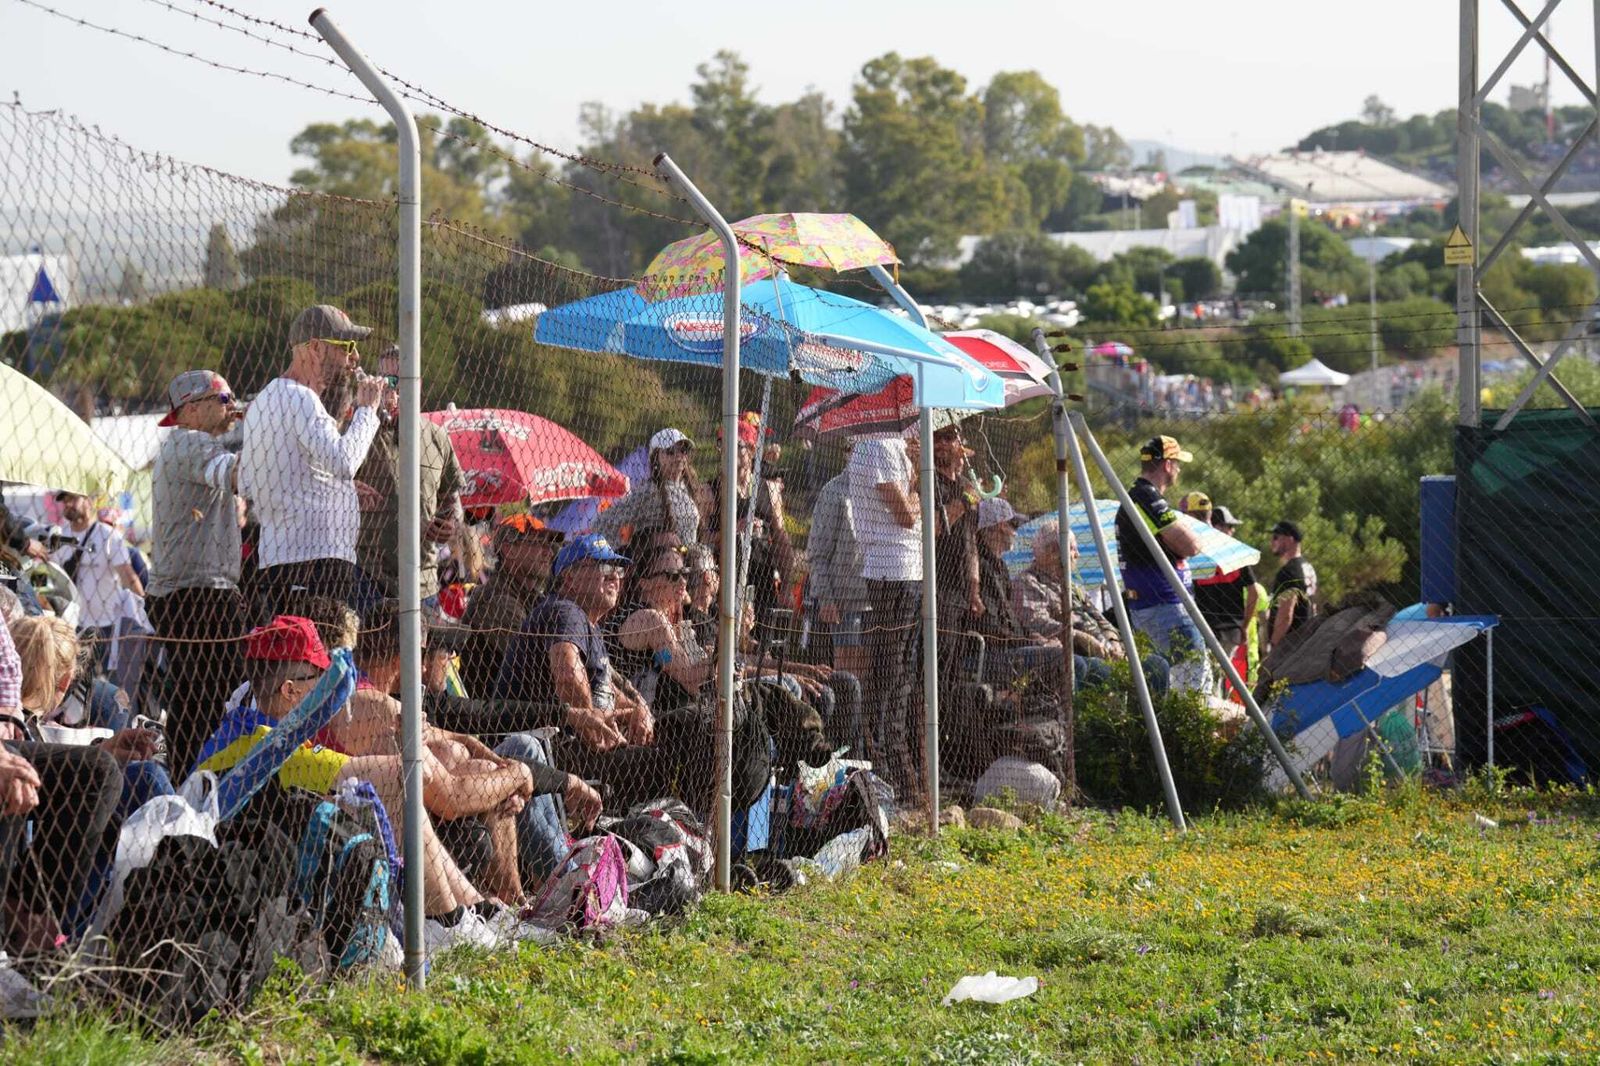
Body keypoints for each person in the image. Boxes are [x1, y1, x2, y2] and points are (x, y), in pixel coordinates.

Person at [193, 615, 512, 948]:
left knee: (393, 780)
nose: (328, 688)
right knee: (396, 781)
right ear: (290, 690)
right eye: (319, 677)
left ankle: (464, 912)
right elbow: (394, 775)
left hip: (266, 851)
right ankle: (445, 924)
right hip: (246, 869)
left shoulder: (255, 729)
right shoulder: (266, 741)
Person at [238, 304, 383, 612]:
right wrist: (367, 410)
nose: (355, 357)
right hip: (315, 562)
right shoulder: (301, 398)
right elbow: (344, 462)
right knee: (327, 651)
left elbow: (252, 482)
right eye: (347, 346)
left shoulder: (266, 398)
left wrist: (332, 487)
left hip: (285, 557)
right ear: (315, 348)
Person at [146, 369, 248, 777]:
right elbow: (239, 475)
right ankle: (200, 785)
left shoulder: (191, 443)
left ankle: (189, 783)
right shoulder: (190, 443)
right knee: (218, 700)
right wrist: (266, 430)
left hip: (193, 593)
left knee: (197, 703)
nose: (232, 406)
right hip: (195, 595)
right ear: (191, 409)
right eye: (223, 400)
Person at [353, 344, 466, 620]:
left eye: (399, 381)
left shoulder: (436, 437)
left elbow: (452, 500)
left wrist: (450, 524)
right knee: (371, 660)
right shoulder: (360, 429)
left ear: (417, 383)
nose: (390, 389)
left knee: (424, 659)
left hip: (423, 580)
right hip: (370, 576)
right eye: (384, 380)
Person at [846, 431, 922, 800]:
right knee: (891, 672)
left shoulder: (893, 447)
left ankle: (892, 759)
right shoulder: (879, 444)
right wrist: (922, 478)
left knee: (900, 671)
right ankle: (881, 760)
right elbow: (906, 514)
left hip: (904, 567)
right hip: (892, 568)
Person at [1013, 521, 1170, 696]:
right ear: (1052, 552)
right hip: (1078, 654)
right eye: (1073, 548)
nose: (1077, 555)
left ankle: (1146, 720)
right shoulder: (1028, 582)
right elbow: (1037, 622)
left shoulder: (1073, 586)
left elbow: (1100, 618)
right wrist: (1080, 637)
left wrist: (1113, 641)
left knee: (1157, 664)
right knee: (1104, 671)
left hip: (1108, 650)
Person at [1114, 436, 1207, 691]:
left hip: (1157, 605)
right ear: (1166, 464)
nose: (1178, 469)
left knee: (1178, 678)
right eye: (1177, 463)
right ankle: (1185, 729)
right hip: (1162, 605)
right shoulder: (1146, 497)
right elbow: (1191, 546)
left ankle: (1170, 727)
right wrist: (1184, 538)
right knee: (1194, 677)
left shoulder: (1143, 495)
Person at [50, 489, 148, 704]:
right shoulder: (60, 536)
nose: (67, 504)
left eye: (72, 498)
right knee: (73, 687)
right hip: (71, 626)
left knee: (108, 686)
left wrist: (147, 608)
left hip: (106, 626)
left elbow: (127, 575)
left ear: (89, 500)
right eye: (64, 500)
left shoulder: (107, 535)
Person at [702, 416, 795, 635]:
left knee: (763, 646)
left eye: (736, 445)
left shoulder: (769, 490)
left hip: (762, 578)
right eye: (721, 444)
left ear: (752, 450)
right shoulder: (709, 491)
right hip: (726, 580)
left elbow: (781, 539)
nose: (727, 450)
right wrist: (731, 531)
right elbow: (701, 539)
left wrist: (788, 587)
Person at [457, 515, 563, 697]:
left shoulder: (532, 597)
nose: (549, 553)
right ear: (509, 549)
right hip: (497, 713)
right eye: (540, 544)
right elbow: (535, 664)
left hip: (524, 704)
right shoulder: (496, 599)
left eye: (550, 545)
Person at [802, 467, 867, 677]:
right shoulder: (834, 492)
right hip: (846, 603)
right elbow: (817, 553)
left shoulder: (883, 489)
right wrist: (825, 597)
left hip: (879, 598)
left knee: (871, 675)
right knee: (849, 674)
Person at [594, 428, 703, 547]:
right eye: (670, 451)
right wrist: (650, 540)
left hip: (689, 558)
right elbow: (602, 523)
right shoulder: (649, 491)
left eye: (683, 450)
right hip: (665, 561)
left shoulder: (688, 487)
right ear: (656, 458)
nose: (678, 457)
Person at [1194, 503, 1259, 688]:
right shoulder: (1236, 554)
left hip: (1205, 627)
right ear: (1217, 527)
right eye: (1229, 526)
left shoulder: (1198, 554)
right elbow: (1253, 592)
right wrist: (1245, 625)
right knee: (1219, 678)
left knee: (1206, 678)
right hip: (1232, 629)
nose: (1232, 531)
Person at [1266, 520, 1317, 654]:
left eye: (1276, 537)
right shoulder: (1307, 567)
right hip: (1305, 639)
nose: (1272, 541)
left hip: (1289, 644)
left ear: (1289, 539)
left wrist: (1274, 645)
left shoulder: (1289, 571)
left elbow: (1286, 613)